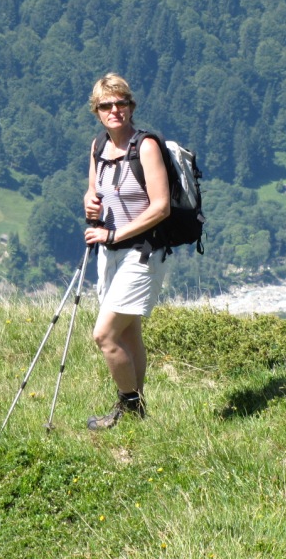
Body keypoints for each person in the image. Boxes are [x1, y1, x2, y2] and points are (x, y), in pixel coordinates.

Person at [83, 73, 170, 430]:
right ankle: (138, 413)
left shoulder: (146, 147)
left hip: (143, 252)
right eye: (106, 105)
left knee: (104, 335)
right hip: (110, 253)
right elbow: (94, 192)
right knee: (129, 332)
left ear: (131, 107)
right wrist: (90, 203)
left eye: (121, 103)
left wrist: (115, 232)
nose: (114, 110)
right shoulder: (98, 147)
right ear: (97, 111)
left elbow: (161, 207)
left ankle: (129, 405)